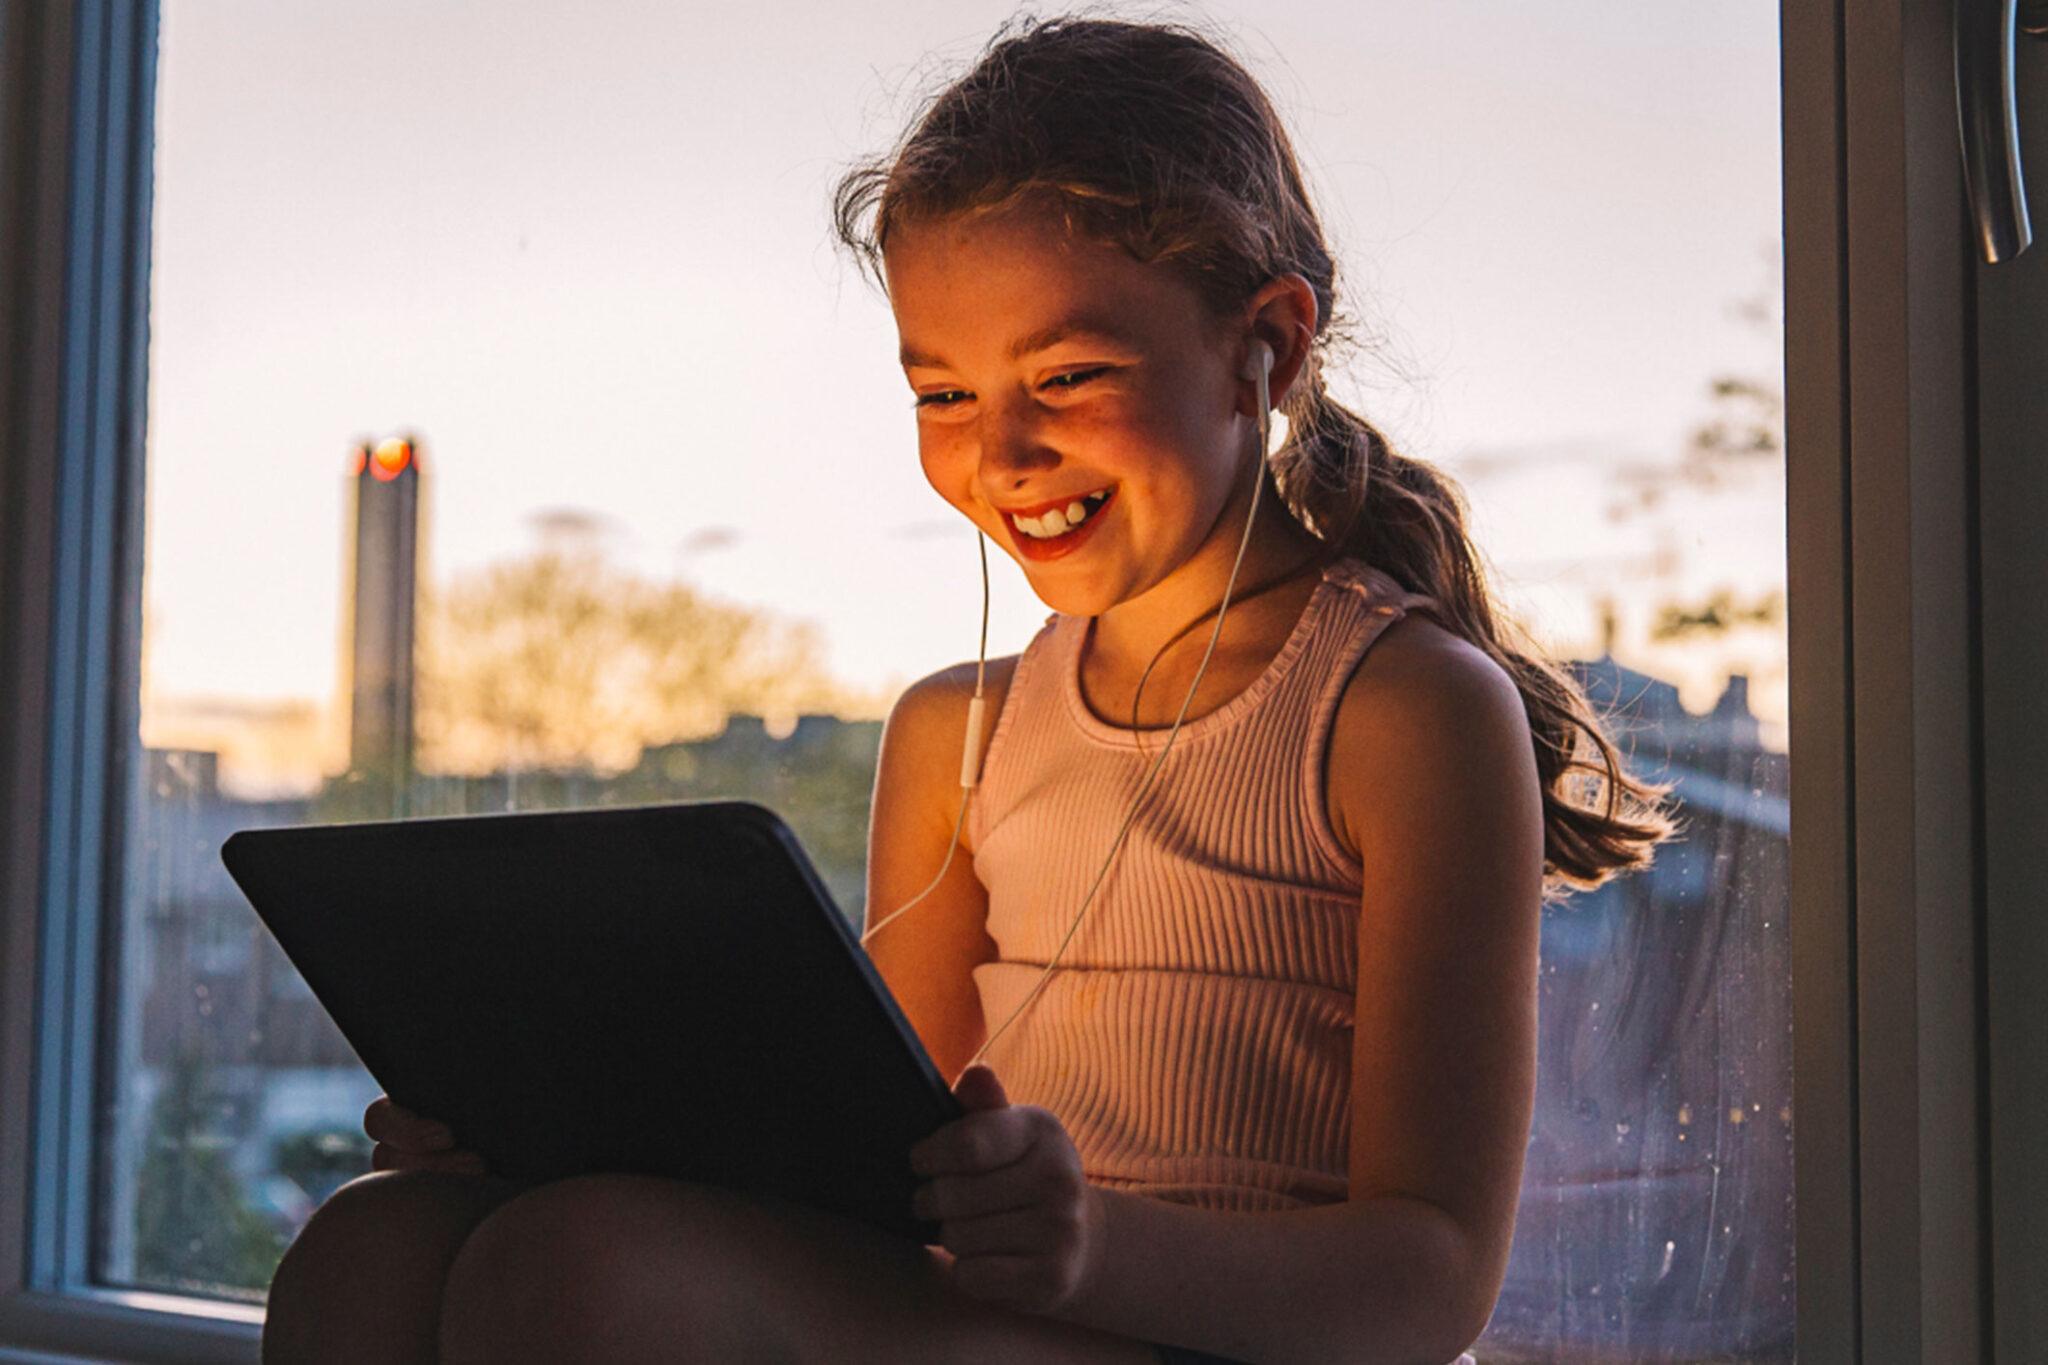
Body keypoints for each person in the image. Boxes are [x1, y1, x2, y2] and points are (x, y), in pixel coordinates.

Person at [261, 14, 1678, 1364]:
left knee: (580, 1270)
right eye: (942, 394)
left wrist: (1087, 1248)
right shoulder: (958, 731)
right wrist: (538, 1125)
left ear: (1271, 348)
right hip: (1003, 1323)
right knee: (371, 1245)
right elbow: (864, 1163)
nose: (1000, 454)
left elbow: (1431, 1276)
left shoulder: (1406, 710)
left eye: (1067, 373)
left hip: (1219, 1333)